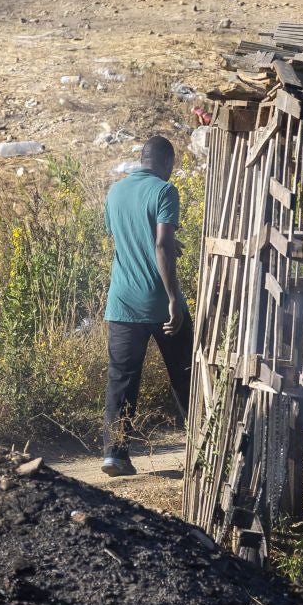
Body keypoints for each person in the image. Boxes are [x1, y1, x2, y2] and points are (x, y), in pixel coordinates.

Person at [100, 135, 191, 476]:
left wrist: (165, 242)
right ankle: (204, 448)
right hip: (159, 303)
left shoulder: (115, 192)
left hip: (122, 304)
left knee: (121, 381)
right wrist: (173, 300)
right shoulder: (165, 191)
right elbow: (161, 245)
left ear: (142, 160)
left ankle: (115, 455)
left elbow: (132, 236)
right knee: (186, 377)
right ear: (167, 162)